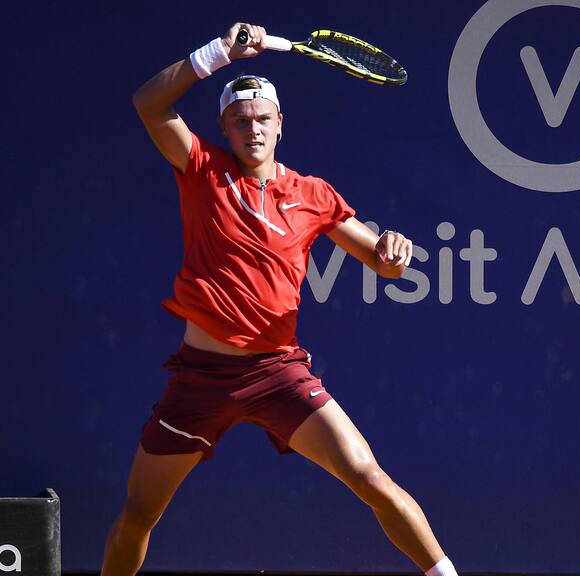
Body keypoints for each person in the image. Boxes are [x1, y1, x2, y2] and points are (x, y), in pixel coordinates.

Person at [101, 22, 458, 576]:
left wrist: (393, 251)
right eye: (240, 121)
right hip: (200, 378)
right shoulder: (201, 169)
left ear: (280, 125)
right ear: (224, 126)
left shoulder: (313, 194)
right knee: (138, 515)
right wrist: (218, 52)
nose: (253, 130)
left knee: (370, 478)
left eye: (262, 119)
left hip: (279, 373)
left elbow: (382, 264)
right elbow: (149, 104)